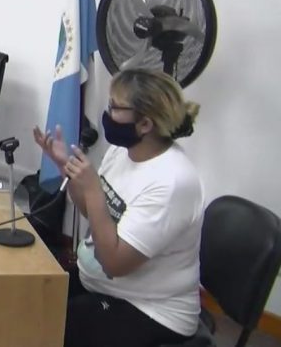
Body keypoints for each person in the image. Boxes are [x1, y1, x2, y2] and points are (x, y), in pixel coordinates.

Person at [33, 69, 203, 347]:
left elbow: (115, 263)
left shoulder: (172, 182)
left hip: (150, 309)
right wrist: (67, 169)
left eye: (115, 107)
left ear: (145, 124)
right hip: (101, 283)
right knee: (30, 299)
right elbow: (95, 214)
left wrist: (93, 189)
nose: (107, 113)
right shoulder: (123, 151)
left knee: (47, 329)